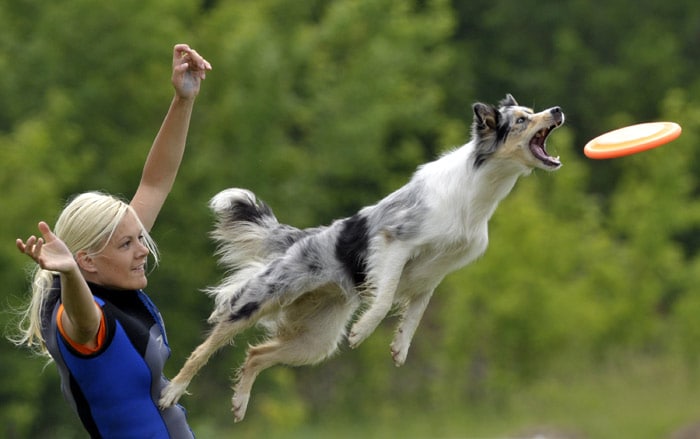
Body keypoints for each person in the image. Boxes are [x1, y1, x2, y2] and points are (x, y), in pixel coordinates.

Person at [12, 43, 212, 438]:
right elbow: (84, 322)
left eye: (138, 238)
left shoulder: (108, 282)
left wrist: (183, 100)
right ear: (86, 261)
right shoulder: (78, 319)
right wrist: (68, 274)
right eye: (126, 245)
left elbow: (155, 182)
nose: (143, 250)